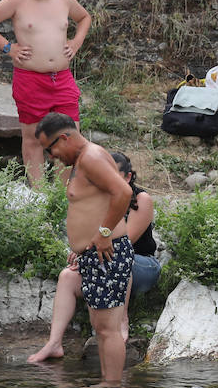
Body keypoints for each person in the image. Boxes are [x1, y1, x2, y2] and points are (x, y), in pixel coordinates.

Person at [28, 151, 161, 364]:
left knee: (117, 256)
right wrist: (81, 252)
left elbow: (125, 242)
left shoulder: (141, 199)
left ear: (127, 178)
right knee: (67, 277)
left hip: (142, 265)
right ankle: (54, 343)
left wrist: (85, 251)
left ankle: (121, 323)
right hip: (103, 262)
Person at [35, 114, 135, 386]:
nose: (52, 156)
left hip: (107, 253)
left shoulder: (90, 157)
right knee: (101, 327)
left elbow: (123, 193)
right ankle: (108, 386)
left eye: (51, 148)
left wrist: (103, 234)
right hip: (94, 255)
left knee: (107, 329)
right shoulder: (84, 159)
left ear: (65, 137)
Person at [0, 0, 92, 184]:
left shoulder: (64, 0)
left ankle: (61, 194)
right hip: (29, 78)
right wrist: (8, 47)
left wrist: (76, 41)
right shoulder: (18, 0)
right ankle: (39, 194)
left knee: (70, 135)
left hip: (62, 78)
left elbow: (85, 17)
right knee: (32, 137)